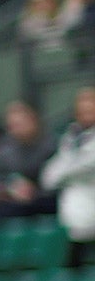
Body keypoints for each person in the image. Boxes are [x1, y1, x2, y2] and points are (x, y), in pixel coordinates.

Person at [0, 101, 56, 222]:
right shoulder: (1, 150)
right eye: (13, 126)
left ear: (33, 120)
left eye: (21, 123)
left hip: (43, 200)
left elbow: (55, 176)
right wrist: (7, 188)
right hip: (13, 203)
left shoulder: (50, 144)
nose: (17, 129)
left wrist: (34, 190)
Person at [41, 87, 95, 269]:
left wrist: (66, 168)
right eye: (82, 109)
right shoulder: (69, 138)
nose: (87, 113)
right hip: (73, 216)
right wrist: (68, 167)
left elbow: (86, 164)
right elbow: (49, 178)